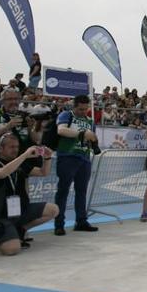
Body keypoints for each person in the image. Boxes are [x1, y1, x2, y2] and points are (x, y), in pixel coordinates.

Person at [0, 135, 58, 255]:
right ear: (0, 149)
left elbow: (43, 172)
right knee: (12, 250)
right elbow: (3, 173)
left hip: (20, 210)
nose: (15, 150)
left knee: (53, 210)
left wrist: (47, 158)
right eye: (11, 147)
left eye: (17, 147)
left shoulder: (20, 163)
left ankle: (20, 229)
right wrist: (25, 155)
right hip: (0, 215)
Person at [53, 94, 99, 235]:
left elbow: (92, 138)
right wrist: (82, 133)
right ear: (74, 106)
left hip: (84, 158)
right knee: (63, 190)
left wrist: (93, 140)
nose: (83, 112)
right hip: (67, 156)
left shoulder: (90, 121)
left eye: (85, 109)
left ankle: (81, 221)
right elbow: (61, 130)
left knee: (82, 191)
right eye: (80, 109)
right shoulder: (67, 115)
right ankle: (59, 224)